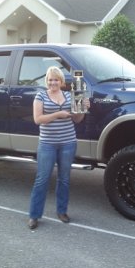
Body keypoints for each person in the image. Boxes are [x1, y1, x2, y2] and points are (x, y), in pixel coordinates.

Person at [28, 66, 90, 230]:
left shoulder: (70, 95)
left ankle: (62, 211)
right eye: (50, 79)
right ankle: (34, 215)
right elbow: (38, 119)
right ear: (46, 81)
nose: (52, 82)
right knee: (42, 180)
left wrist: (83, 108)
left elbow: (77, 120)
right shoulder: (40, 95)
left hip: (68, 142)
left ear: (61, 81)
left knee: (64, 179)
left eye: (56, 79)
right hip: (47, 144)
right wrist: (57, 114)